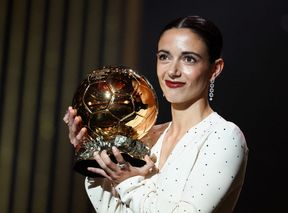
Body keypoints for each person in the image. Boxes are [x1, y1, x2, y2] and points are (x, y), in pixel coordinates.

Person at [63, 15, 248, 213]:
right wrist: (92, 150)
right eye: (164, 57)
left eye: (189, 59)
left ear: (215, 69)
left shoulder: (223, 136)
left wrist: (129, 182)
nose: (172, 71)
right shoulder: (148, 138)